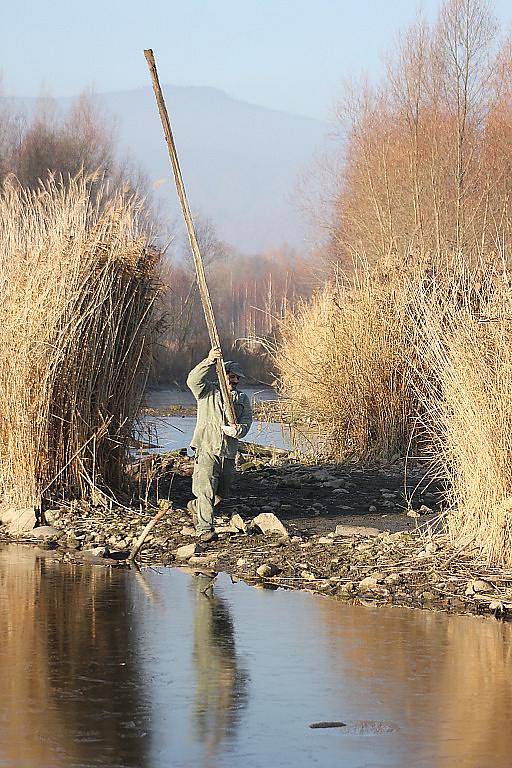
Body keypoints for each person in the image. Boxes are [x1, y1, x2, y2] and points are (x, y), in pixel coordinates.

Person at [186, 347, 253, 542]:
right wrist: (208, 360)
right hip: (206, 447)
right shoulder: (207, 391)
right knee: (205, 489)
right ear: (223, 376)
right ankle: (205, 528)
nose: (235, 381)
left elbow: (246, 423)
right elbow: (192, 380)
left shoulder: (242, 399)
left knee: (222, 491)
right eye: (232, 377)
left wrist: (237, 431)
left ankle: (196, 507)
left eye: (238, 378)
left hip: (228, 452)